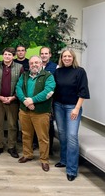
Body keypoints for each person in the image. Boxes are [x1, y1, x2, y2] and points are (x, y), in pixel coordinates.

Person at [53, 49, 90, 181]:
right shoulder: (58, 72)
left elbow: (83, 91)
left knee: (72, 136)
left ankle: (72, 170)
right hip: (58, 106)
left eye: (69, 56)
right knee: (62, 134)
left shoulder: (80, 71)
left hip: (72, 108)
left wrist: (76, 108)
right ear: (61, 58)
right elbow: (54, 89)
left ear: (73, 58)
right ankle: (64, 160)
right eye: (64, 56)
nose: (67, 58)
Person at [16, 55, 56, 172]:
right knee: (26, 134)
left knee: (43, 137)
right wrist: (25, 101)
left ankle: (44, 160)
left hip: (41, 112)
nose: (34, 65)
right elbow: (18, 89)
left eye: (36, 63)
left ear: (41, 64)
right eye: (32, 63)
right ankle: (27, 154)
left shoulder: (48, 76)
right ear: (29, 65)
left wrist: (32, 100)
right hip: (25, 110)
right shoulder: (24, 76)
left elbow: (48, 91)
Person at [0, 47, 23, 158]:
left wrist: (13, 97)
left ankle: (11, 147)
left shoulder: (20, 68)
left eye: (9, 54)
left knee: (12, 125)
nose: (7, 56)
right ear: (2, 55)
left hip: (13, 101)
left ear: (13, 56)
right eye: (5, 54)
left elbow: (21, 84)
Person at [40, 46, 58, 155]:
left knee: (49, 125)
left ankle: (49, 149)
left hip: (50, 101)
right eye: (42, 53)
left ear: (50, 55)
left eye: (46, 53)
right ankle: (37, 145)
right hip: (37, 100)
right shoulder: (36, 65)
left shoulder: (55, 67)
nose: (44, 55)